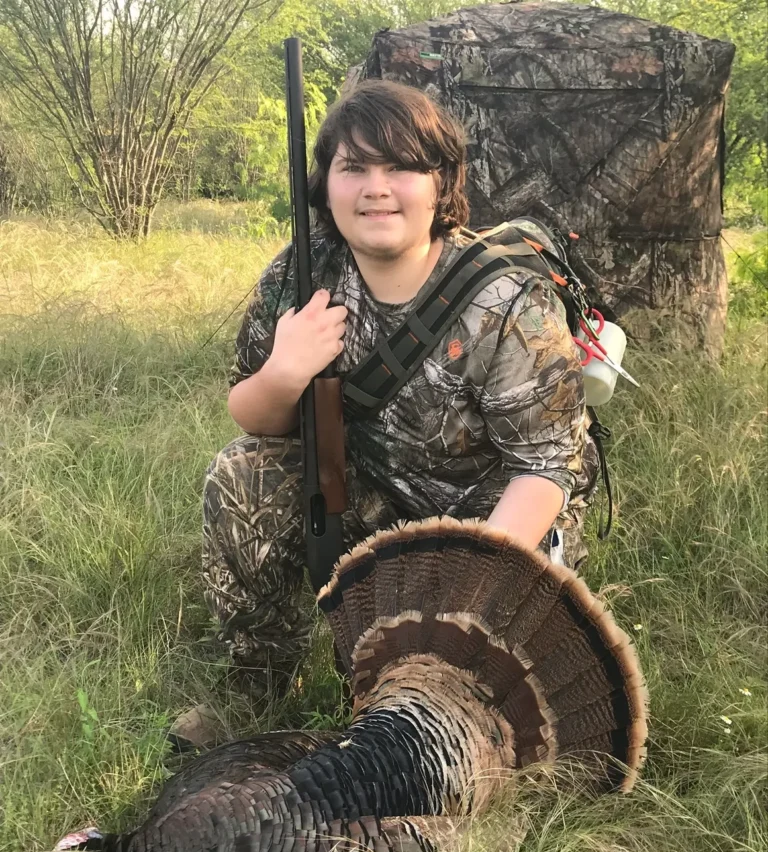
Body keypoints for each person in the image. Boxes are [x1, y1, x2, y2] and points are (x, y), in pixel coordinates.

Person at [200, 79, 599, 707]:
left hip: (495, 520)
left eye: (403, 167)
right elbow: (251, 416)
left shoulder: (508, 301)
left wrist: (463, 586)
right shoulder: (303, 271)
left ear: (441, 182)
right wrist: (285, 370)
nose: (376, 187)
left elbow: (546, 469)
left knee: (478, 701)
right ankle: (260, 689)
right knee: (241, 472)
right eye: (353, 166)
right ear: (325, 183)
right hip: (371, 492)